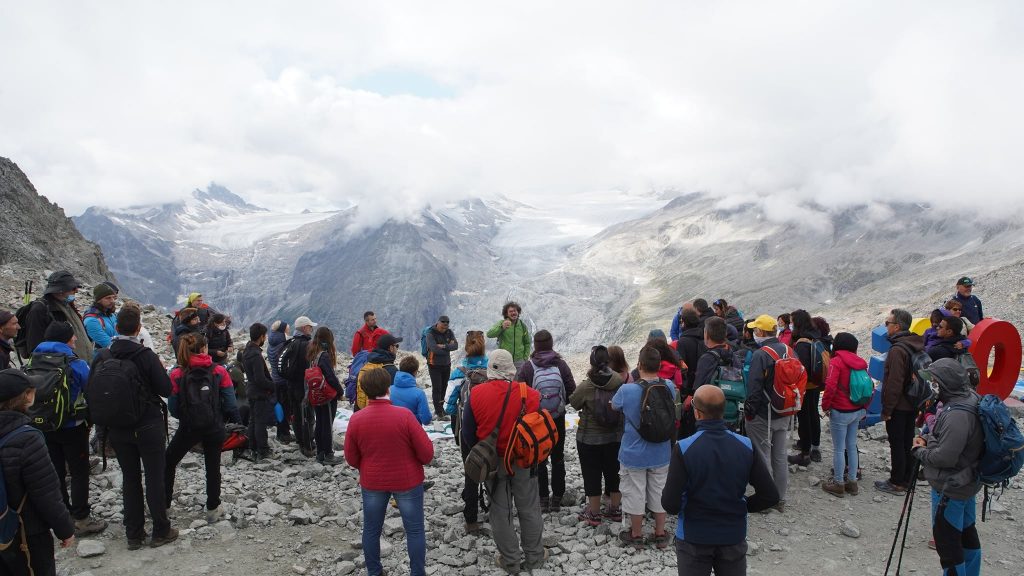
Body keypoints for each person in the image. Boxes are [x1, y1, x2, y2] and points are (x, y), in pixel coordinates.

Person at [662, 384, 780, 575]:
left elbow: (670, 504)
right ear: (723, 411)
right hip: (732, 534)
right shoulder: (745, 445)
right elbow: (770, 495)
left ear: (698, 413)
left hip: (694, 535)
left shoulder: (684, 448)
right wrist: (742, 505)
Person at [461, 349, 546, 573]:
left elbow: (467, 433)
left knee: (500, 510)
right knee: (529, 508)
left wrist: (482, 451)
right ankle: (535, 558)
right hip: (523, 459)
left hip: (492, 461)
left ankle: (510, 561)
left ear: (490, 368)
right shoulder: (530, 394)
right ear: (511, 369)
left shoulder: (476, 394)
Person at [99, 305, 177, 549]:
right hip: (147, 424)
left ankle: (133, 534)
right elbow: (166, 389)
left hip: (118, 427)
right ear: (138, 328)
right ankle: (161, 531)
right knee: (154, 477)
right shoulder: (145, 355)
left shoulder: (103, 355)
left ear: (117, 327)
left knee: (130, 478)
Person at [345, 367, 433, 576]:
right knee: (414, 530)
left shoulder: (356, 419)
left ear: (364, 391)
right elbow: (427, 454)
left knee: (371, 530)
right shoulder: (404, 416)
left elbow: (351, 457)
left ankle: (375, 572)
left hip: (373, 480)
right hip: (407, 480)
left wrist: (367, 466)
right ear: (388, 388)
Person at [31, 322, 107, 536]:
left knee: (55, 470)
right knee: (79, 472)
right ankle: (81, 518)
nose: (75, 340)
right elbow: (92, 391)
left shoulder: (33, 359)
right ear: (66, 339)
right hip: (72, 426)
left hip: (43, 424)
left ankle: (61, 515)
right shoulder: (76, 363)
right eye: (73, 337)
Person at [911, 358, 984, 576]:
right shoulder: (970, 399)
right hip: (966, 481)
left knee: (948, 544)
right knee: (965, 534)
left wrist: (919, 451)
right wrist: (929, 438)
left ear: (945, 384)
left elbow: (944, 457)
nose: (932, 385)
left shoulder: (957, 415)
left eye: (934, 381)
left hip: (949, 486)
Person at [0, 369, 76, 575]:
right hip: (26, 531)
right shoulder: (28, 438)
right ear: (25, 397)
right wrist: (65, 530)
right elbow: (46, 492)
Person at [166, 333, 241, 522]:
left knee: (168, 462)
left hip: (189, 427)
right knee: (213, 466)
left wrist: (186, 417)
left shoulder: (177, 373)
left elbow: (173, 407)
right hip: (214, 425)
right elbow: (231, 403)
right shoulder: (219, 371)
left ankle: (164, 505)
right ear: (204, 349)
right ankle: (213, 508)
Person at [611, 345, 677, 549]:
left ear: (639, 365)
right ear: (659, 366)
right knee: (659, 491)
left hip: (633, 452)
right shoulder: (668, 386)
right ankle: (659, 533)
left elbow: (614, 406)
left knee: (634, 491)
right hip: (661, 451)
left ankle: (636, 534)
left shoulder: (627, 390)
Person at [515, 330, 576, 513]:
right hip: (557, 418)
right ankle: (557, 497)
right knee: (558, 457)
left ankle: (542, 499)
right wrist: (560, 405)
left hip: (536, 420)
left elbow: (520, 394)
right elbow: (571, 391)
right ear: (551, 344)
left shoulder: (527, 367)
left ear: (535, 345)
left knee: (538, 457)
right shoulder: (561, 365)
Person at [568, 345, 624, 527]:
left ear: (591, 362)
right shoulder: (618, 380)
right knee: (614, 471)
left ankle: (593, 513)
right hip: (614, 436)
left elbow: (574, 403)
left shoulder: (586, 385)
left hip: (589, 438)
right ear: (608, 360)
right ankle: (615, 509)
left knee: (591, 473)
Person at [743, 314, 792, 512]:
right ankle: (780, 498)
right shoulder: (789, 350)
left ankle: (766, 500)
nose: (754, 333)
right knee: (780, 456)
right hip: (786, 410)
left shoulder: (761, 354)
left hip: (764, 413)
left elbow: (754, 387)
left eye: (755, 330)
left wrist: (750, 412)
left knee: (762, 457)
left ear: (761, 332)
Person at [874, 308, 925, 496]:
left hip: (899, 405)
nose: (885, 326)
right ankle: (907, 478)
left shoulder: (897, 350)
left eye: (887, 323)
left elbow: (893, 382)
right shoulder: (915, 344)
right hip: (912, 402)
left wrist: (887, 409)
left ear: (897, 326)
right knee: (906, 441)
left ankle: (897, 483)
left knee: (897, 443)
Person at [448, 330, 488, 534]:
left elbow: (449, 406)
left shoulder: (460, 371)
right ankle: (497, 509)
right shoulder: (492, 368)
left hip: (466, 431)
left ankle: (471, 519)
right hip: (490, 429)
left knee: (470, 472)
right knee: (493, 468)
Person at [820, 332, 867, 497]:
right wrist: (864, 408)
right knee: (852, 445)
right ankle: (852, 482)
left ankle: (839, 483)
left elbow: (830, 386)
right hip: (857, 409)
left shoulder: (836, 361)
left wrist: (825, 405)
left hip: (840, 410)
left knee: (839, 449)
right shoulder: (861, 362)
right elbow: (867, 387)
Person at [23, 270, 91, 361]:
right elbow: (35, 347)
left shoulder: (67, 304)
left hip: (79, 365)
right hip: (63, 369)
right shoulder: (40, 310)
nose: (76, 291)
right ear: (60, 291)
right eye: (73, 289)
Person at [789, 309, 824, 466]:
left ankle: (805, 453)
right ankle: (814, 446)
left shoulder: (802, 342)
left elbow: (800, 368)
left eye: (791, 321)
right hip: (815, 383)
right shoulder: (816, 336)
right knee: (813, 414)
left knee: (804, 417)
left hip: (806, 385)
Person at [305, 326, 343, 465]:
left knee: (320, 422)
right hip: (326, 396)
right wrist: (340, 391)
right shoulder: (324, 355)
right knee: (327, 424)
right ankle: (328, 454)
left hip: (315, 394)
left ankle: (320, 453)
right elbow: (331, 377)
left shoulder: (313, 353)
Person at [279, 316, 317, 456]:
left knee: (296, 413)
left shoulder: (290, 342)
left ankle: (301, 441)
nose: (312, 329)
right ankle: (308, 446)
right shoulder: (306, 344)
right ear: (305, 328)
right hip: (303, 386)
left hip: (291, 384)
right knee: (307, 415)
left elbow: (281, 365)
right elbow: (309, 366)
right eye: (310, 327)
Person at [241, 322, 275, 460]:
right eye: (265, 336)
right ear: (261, 336)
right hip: (259, 392)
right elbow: (260, 378)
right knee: (260, 421)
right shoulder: (255, 354)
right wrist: (273, 387)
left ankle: (252, 446)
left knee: (253, 420)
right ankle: (263, 449)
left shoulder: (246, 351)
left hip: (251, 390)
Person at [424, 315, 458, 419]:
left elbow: (455, 346)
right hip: (434, 365)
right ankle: (438, 412)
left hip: (446, 364)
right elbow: (434, 349)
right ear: (438, 323)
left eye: (445, 327)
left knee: (444, 387)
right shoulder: (430, 333)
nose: (444, 329)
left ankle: (441, 408)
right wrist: (448, 347)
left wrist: (443, 346)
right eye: (442, 327)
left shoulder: (449, 332)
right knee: (437, 388)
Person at [356, 334, 401, 410]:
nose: (397, 348)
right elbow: (395, 397)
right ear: (391, 348)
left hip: (362, 409)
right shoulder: (391, 369)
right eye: (396, 346)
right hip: (382, 411)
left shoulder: (367, 363)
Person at [267, 320, 293, 444]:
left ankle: (281, 432)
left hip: (275, 379)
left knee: (279, 405)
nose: (290, 332)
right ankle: (285, 434)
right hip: (283, 380)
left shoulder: (272, 343)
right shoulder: (283, 345)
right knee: (285, 407)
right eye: (288, 330)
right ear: (283, 332)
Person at [693, 317, 737, 390]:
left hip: (712, 399)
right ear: (725, 334)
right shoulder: (731, 352)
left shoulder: (706, 359)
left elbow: (698, 387)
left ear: (707, 335)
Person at [487, 302, 531, 369]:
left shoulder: (522, 326)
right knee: (505, 379)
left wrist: (525, 357)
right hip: (504, 360)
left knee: (519, 379)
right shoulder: (502, 323)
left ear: (518, 312)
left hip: (519, 361)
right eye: (510, 311)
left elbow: (527, 342)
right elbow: (489, 334)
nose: (513, 313)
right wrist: (501, 327)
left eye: (515, 311)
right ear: (506, 314)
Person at [392, 356, 432, 425]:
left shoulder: (388, 390)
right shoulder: (419, 393)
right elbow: (426, 420)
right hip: (412, 431)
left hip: (393, 431)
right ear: (415, 372)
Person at [83, 281, 118, 356]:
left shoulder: (111, 314)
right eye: (108, 298)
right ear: (98, 300)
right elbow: (108, 344)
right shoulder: (91, 320)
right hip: (101, 362)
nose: (112, 301)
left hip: (114, 359)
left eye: (113, 297)